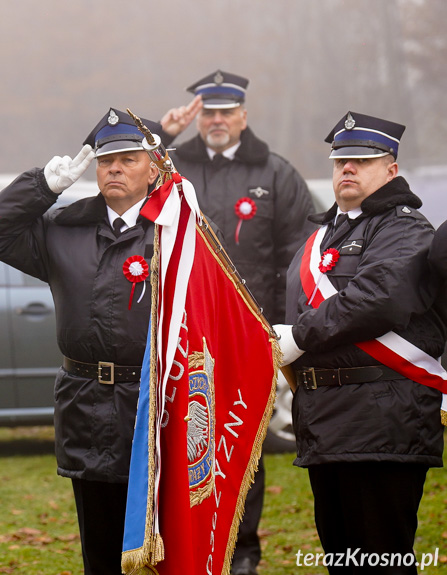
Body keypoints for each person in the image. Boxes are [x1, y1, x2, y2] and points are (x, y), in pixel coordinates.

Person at [0, 108, 161, 575]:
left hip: (156, 404)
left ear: (154, 167)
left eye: (127, 158)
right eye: (105, 160)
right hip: (88, 403)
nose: (114, 168)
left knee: (160, 547)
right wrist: (43, 186)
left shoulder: (178, 232)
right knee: (99, 545)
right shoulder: (64, 230)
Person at [157, 70, 315, 575]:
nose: (218, 120)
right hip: (184, 339)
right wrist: (162, 137)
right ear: (197, 118)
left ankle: (241, 551)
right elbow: (129, 180)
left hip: (248, 338)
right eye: (209, 112)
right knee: (183, 443)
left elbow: (299, 258)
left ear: (244, 116)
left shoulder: (275, 173)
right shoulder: (173, 167)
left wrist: (286, 331)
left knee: (241, 444)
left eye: (227, 111)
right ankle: (186, 545)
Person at [275, 112, 445, 574]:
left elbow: (376, 299)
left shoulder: (405, 228)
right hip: (327, 422)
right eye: (340, 161)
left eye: (362, 160)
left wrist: (300, 336)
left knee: (380, 562)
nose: (346, 169)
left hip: (381, 418)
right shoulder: (322, 234)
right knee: (344, 561)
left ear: (392, 169)